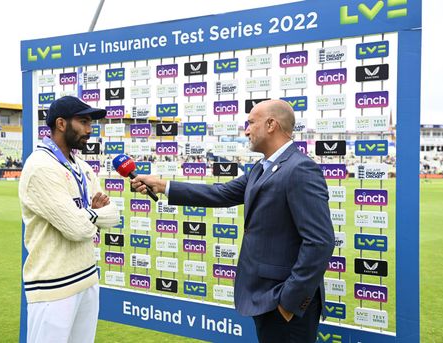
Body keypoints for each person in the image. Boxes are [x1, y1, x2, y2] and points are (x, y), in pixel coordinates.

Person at [131, 99, 335, 343]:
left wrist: (288, 302)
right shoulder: (262, 168)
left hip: (283, 303)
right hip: (265, 298)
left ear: (271, 124)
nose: (246, 130)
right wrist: (163, 186)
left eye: (250, 123)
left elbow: (320, 242)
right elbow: (220, 194)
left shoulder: (300, 169)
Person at [18, 96, 120, 343]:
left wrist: (87, 217)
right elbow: (76, 229)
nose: (89, 129)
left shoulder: (82, 166)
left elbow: (114, 214)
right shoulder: (41, 167)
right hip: (53, 286)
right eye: (83, 121)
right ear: (61, 124)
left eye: (90, 122)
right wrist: (94, 215)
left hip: (87, 277)